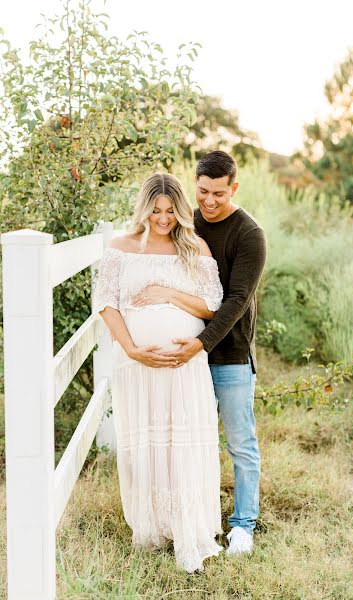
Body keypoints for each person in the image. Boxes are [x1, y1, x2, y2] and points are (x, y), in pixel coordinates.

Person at [92, 173, 224, 573]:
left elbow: (213, 305)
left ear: (180, 210)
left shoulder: (194, 248)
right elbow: (106, 302)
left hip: (184, 365)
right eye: (155, 210)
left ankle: (186, 530)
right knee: (147, 443)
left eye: (170, 211)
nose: (163, 218)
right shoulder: (121, 249)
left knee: (181, 442)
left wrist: (167, 293)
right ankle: (151, 528)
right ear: (143, 208)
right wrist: (132, 349)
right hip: (138, 364)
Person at [139, 151, 267, 555]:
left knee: (240, 442)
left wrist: (200, 344)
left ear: (234, 188)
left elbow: (237, 300)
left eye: (219, 193)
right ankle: (191, 520)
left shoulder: (249, 234)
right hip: (182, 361)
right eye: (203, 191)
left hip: (227, 355)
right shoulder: (184, 222)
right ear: (194, 184)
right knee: (188, 442)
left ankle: (243, 525)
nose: (209, 201)